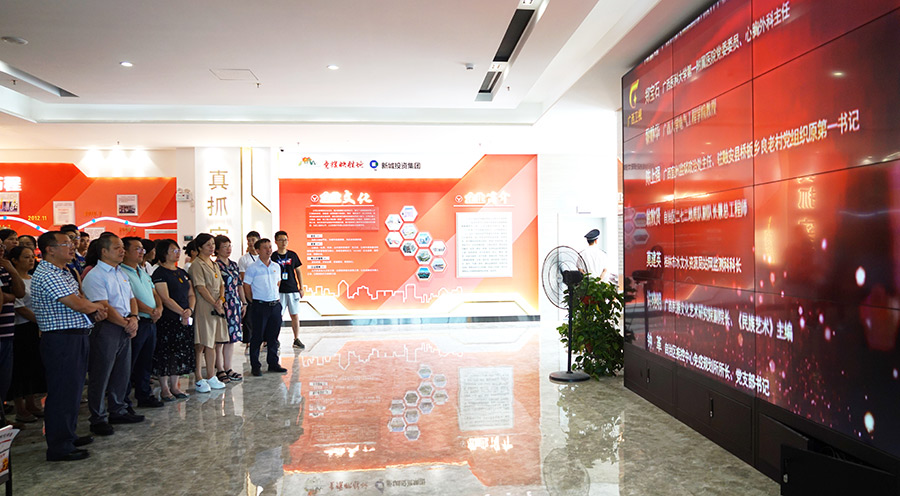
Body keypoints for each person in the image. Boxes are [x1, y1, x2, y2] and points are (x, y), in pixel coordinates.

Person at [33, 231, 107, 461]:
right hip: (61, 339)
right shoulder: (48, 273)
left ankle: (68, 434)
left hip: (75, 336)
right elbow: (77, 304)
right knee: (62, 392)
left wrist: (93, 308)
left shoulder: (64, 271)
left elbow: (82, 299)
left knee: (73, 391)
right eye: (65, 244)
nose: (72, 246)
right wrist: (96, 308)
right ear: (49, 250)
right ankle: (59, 446)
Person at [81, 234, 144, 436]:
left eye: (122, 247)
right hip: (106, 327)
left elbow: (132, 298)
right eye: (117, 247)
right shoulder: (96, 275)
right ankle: (98, 418)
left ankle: (118, 410)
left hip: (125, 325)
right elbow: (103, 306)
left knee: (121, 372)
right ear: (104, 251)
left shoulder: (120, 272)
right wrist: (127, 324)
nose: (122, 251)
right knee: (101, 374)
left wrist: (133, 318)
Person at [120, 237, 164, 408]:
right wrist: (150, 311)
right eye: (137, 249)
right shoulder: (121, 272)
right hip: (138, 321)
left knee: (146, 361)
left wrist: (159, 308)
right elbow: (131, 298)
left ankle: (144, 394)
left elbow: (154, 293)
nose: (141, 252)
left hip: (151, 321)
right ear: (125, 252)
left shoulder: (143, 271)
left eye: (142, 249)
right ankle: (123, 401)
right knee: (130, 363)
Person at [151, 239, 194, 401]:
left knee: (178, 352)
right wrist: (182, 312)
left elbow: (191, 294)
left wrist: (189, 310)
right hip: (168, 319)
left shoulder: (182, 272)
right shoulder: (159, 273)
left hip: (184, 318)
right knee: (165, 353)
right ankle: (164, 388)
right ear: (164, 253)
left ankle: (175, 386)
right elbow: (165, 298)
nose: (177, 253)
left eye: (178, 250)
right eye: (173, 250)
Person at [187, 233, 228, 393]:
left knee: (213, 342)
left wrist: (221, 300)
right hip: (204, 306)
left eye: (213, 244)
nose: (212, 247)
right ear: (199, 247)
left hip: (217, 306)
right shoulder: (196, 265)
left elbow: (222, 284)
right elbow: (200, 287)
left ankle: (211, 375)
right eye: (208, 245)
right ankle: (198, 377)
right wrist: (214, 303)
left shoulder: (213, 264)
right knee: (201, 343)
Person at [9, 246, 46, 423]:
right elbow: (20, 308)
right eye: (26, 257)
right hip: (21, 328)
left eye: (32, 257)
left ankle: (32, 403)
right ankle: (20, 408)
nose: (31, 260)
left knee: (33, 367)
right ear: (14, 260)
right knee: (20, 368)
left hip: (35, 327)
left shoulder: (33, 278)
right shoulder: (14, 280)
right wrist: (41, 321)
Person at [243, 238, 288, 377]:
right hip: (260, 306)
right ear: (257, 250)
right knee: (257, 337)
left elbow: (278, 283)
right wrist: (253, 301)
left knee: (273, 337)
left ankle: (273, 363)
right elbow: (247, 286)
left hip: (275, 305)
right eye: (265, 248)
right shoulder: (252, 268)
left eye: (270, 247)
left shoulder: (276, 266)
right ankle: (255, 366)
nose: (269, 250)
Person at [0, 242, 25, 428]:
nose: (1, 249)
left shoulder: (5, 269)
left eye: (1, 246)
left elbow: (20, 292)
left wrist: (12, 270)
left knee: (4, 380)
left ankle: (2, 419)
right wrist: (7, 296)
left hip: (8, 332)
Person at [214, 235, 245, 383]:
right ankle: (219, 369)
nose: (228, 249)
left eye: (229, 246)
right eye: (224, 246)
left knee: (231, 338)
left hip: (234, 304)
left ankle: (228, 367)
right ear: (217, 249)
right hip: (222, 304)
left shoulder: (233, 264)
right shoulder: (216, 265)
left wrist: (243, 302)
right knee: (220, 338)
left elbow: (239, 284)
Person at [272, 231, 305, 349]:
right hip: (279, 291)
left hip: (292, 289)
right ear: (276, 241)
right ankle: (275, 339)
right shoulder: (273, 256)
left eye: (285, 239)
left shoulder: (292, 255)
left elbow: (298, 271)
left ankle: (296, 339)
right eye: (281, 240)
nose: (283, 242)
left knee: (294, 315)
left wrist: (301, 287)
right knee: (277, 316)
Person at [238, 231, 261, 348]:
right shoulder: (244, 259)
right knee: (249, 318)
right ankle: (248, 342)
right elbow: (243, 278)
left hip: (262, 291)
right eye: (249, 240)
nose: (251, 243)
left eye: (253, 240)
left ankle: (264, 340)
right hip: (249, 291)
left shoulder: (264, 257)